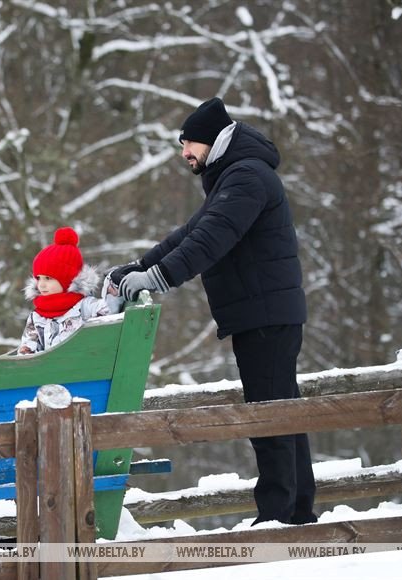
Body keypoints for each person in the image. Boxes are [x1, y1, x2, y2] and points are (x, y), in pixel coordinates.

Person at [110, 97, 317, 525]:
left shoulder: (245, 177)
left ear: (211, 141)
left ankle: (281, 515)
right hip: (263, 313)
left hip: (265, 315)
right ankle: (296, 510)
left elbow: (211, 239)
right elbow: (191, 232)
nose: (184, 153)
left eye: (189, 144)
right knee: (283, 410)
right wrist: (141, 267)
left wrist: (158, 279)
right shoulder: (233, 176)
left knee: (270, 416)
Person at [18, 227, 123, 355]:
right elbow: (27, 349)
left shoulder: (86, 307)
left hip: (82, 368)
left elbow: (110, 317)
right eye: (38, 278)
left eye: (48, 278)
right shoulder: (37, 316)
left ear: (67, 280)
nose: (41, 284)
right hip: (48, 371)